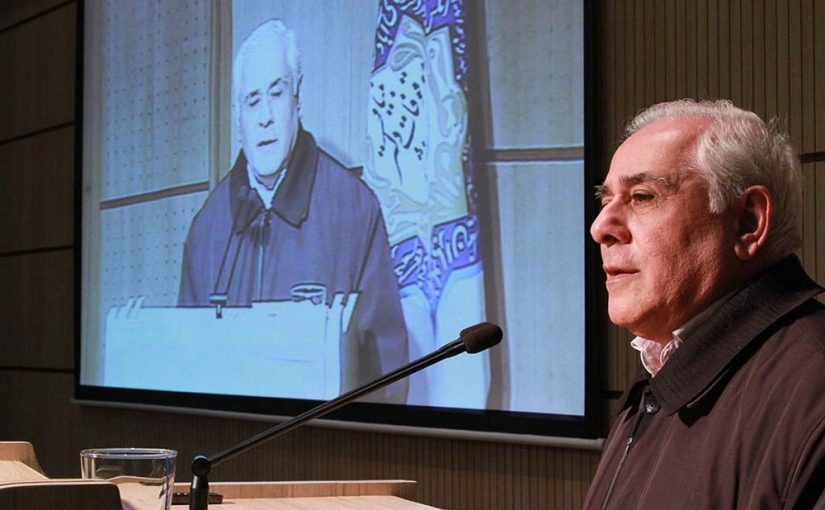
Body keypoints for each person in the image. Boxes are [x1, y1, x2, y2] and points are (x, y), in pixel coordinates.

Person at [584, 99, 825, 509]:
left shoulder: (811, 388)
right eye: (606, 200)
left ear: (748, 222)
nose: (600, 227)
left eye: (642, 196)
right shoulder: (660, 373)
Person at [178, 20, 407, 403]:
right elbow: (184, 367)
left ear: (297, 100)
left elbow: (388, 374)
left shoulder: (354, 209)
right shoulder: (207, 229)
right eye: (252, 101)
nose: (265, 116)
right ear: (238, 119)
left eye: (276, 93)